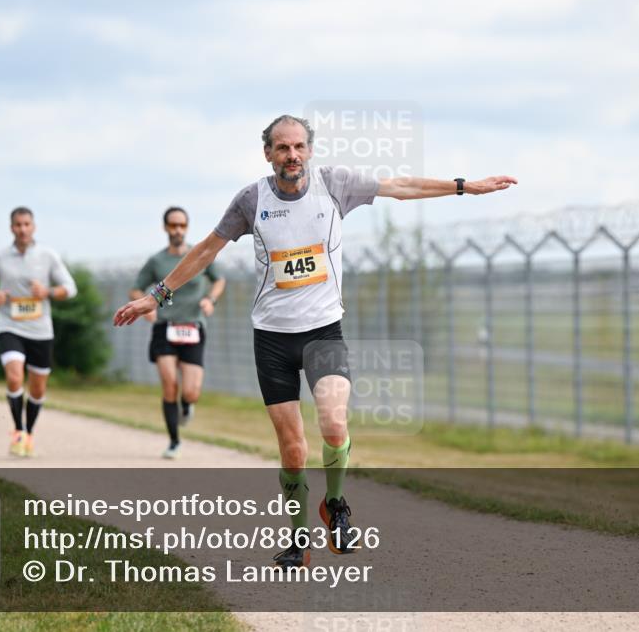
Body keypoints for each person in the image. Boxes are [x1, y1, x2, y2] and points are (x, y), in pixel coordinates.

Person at [113, 114, 517, 569]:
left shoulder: (336, 184)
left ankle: (337, 506)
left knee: (333, 421)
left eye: (299, 147)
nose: (292, 156)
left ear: (310, 149)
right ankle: (298, 539)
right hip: (272, 339)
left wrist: (466, 186)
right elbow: (207, 249)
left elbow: (402, 186)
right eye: (282, 148)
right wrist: (157, 295)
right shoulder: (251, 200)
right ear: (268, 153)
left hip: (324, 330)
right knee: (292, 449)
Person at [0, 207, 77, 457]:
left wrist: (48, 292)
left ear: (33, 227)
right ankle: (18, 431)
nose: (22, 229)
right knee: (13, 376)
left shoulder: (48, 256)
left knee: (38, 389)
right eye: (18, 225)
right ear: (11, 227)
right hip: (10, 324)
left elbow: (70, 288)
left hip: (40, 329)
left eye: (26, 224)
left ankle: (29, 433)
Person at [130, 206, 225, 459]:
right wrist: (146, 309)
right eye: (173, 225)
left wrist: (210, 300)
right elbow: (136, 290)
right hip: (165, 328)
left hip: (193, 327)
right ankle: (174, 441)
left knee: (191, 391)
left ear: (187, 227)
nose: (178, 230)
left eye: (182, 225)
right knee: (170, 384)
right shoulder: (157, 261)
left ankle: (187, 405)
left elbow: (219, 280)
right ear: (165, 228)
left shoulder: (198, 255)